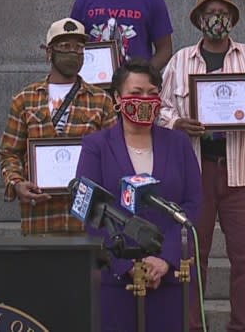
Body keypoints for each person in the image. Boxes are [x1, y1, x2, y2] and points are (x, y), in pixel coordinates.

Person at [159, 0, 245, 332]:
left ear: (232, 19)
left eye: (223, 12)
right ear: (198, 20)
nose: (216, 18)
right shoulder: (179, 61)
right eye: (210, 12)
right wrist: (178, 123)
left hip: (240, 170)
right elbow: (161, 109)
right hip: (195, 173)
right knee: (194, 255)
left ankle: (242, 324)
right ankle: (193, 325)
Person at [75, 59, 203, 332]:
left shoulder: (178, 144)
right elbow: (88, 210)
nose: (145, 100)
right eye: (136, 93)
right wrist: (127, 264)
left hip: (169, 279)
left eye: (152, 93)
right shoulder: (95, 146)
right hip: (115, 278)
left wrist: (165, 258)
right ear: (117, 98)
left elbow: (193, 204)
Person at [0, 18, 117, 235]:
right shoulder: (24, 99)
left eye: (78, 47)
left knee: (86, 269)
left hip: (86, 220)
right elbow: (9, 153)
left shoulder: (102, 101)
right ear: (49, 52)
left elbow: (114, 155)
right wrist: (16, 184)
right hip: (39, 218)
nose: (72, 52)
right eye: (64, 46)